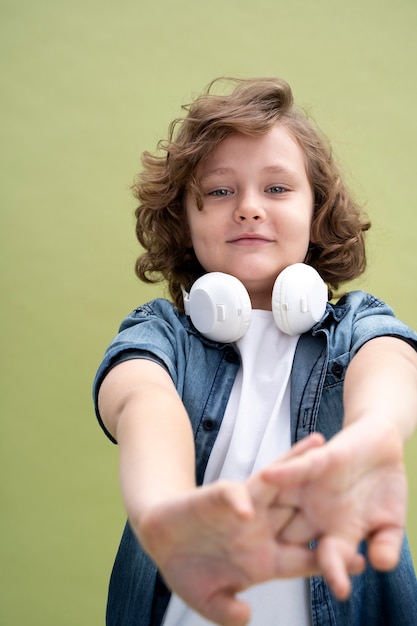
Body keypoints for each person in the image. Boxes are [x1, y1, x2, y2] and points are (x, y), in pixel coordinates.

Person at [93, 77, 417, 626]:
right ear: (185, 219)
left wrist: (371, 437)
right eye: (219, 191)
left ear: (316, 212)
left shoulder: (356, 325)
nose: (247, 208)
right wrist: (164, 510)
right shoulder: (162, 334)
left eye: (276, 189)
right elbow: (141, 401)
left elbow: (393, 364)